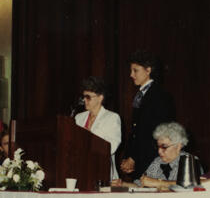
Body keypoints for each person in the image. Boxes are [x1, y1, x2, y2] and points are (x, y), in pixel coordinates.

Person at [120, 50, 175, 179]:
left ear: (148, 70)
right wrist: (128, 157)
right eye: (131, 71)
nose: (131, 75)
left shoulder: (159, 96)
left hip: (151, 162)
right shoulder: (141, 95)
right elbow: (136, 131)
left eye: (135, 70)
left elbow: (154, 133)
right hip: (139, 161)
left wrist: (134, 158)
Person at [113, 122, 188, 190]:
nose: (159, 151)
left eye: (164, 147)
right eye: (158, 147)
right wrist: (122, 184)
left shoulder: (189, 160)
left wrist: (158, 183)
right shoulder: (158, 161)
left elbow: (190, 185)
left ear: (178, 146)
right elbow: (140, 185)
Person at [75, 76, 122, 180]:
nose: (84, 100)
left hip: (102, 172)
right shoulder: (78, 118)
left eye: (88, 97)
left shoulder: (112, 118)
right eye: (83, 96)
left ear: (100, 97)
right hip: (80, 170)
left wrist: (89, 137)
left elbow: (112, 147)